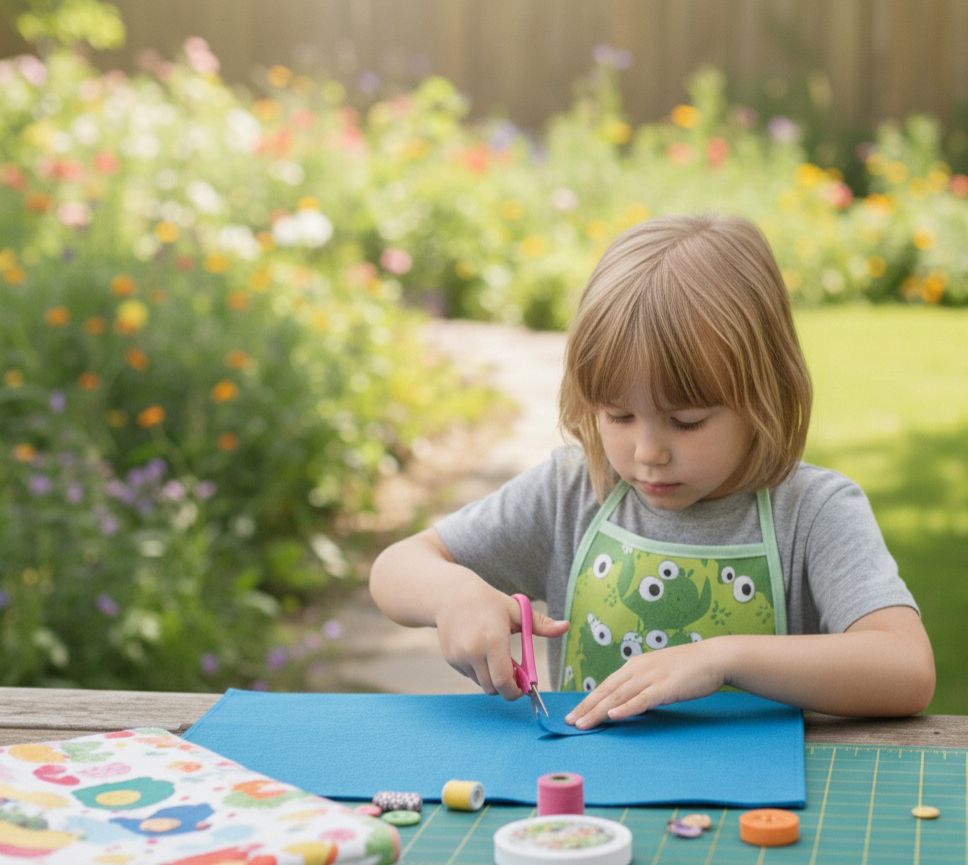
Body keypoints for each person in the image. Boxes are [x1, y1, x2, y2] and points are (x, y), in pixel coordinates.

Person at [369, 213, 935, 729]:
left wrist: (720, 659)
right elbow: (396, 568)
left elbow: (906, 667)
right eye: (618, 415)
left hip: (754, 799)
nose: (648, 452)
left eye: (686, 422)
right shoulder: (574, 491)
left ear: (765, 394)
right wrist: (450, 594)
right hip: (593, 794)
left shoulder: (813, 513)